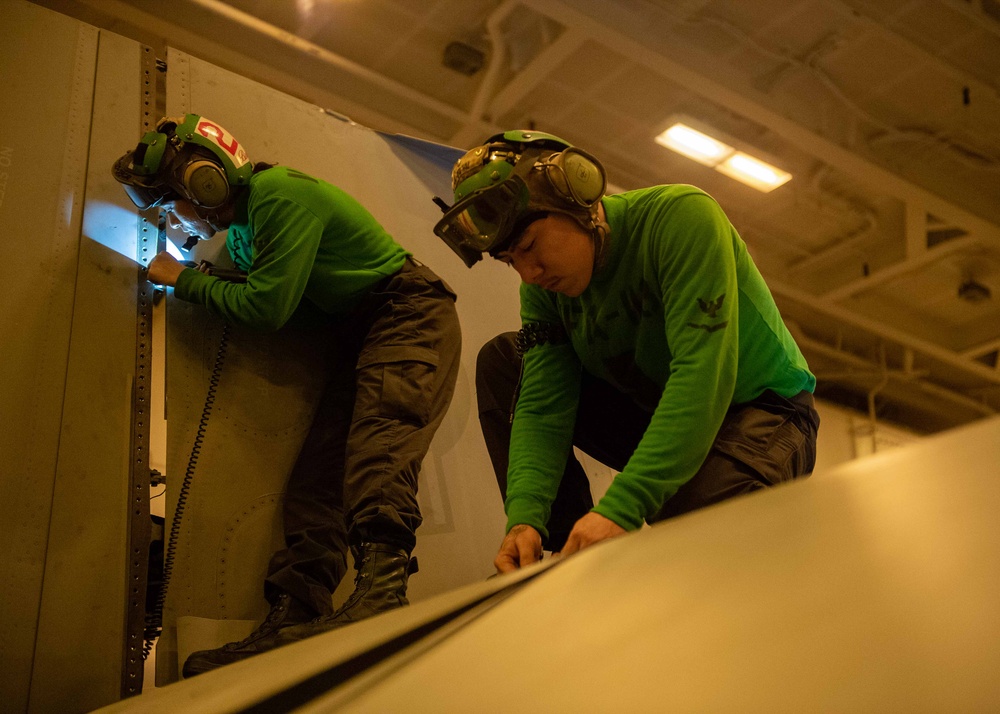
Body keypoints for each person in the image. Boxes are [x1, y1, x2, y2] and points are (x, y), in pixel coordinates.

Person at [113, 114, 461, 676]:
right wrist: (209, 276)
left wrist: (182, 280)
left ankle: (380, 598)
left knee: (379, 450)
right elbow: (264, 288)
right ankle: (295, 615)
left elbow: (267, 308)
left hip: (407, 315)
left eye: (171, 199)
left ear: (205, 183)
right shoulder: (251, 228)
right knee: (318, 480)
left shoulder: (280, 197)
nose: (173, 214)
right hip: (363, 331)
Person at [432, 130, 819, 574]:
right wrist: (524, 520)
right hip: (658, 411)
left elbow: (702, 375)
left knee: (696, 536)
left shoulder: (681, 216)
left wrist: (621, 509)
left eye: (529, 247)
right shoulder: (543, 293)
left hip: (761, 411)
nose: (529, 273)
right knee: (505, 360)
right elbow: (542, 406)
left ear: (575, 196)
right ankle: (556, 559)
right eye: (510, 261)